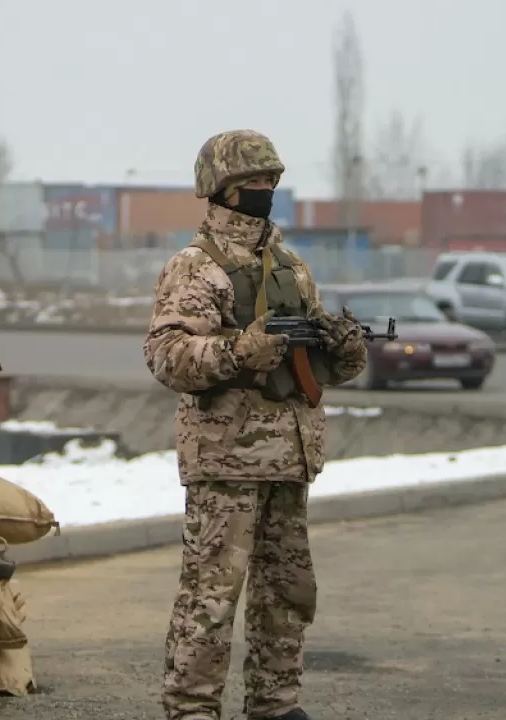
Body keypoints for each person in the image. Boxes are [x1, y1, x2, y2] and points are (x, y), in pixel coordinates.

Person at [143, 129, 369, 720]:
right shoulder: (196, 267)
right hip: (226, 461)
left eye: (270, 181)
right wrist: (239, 352)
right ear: (221, 188)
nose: (264, 191)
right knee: (211, 600)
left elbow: (314, 366)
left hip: (288, 459)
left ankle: (276, 704)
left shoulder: (291, 266)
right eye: (252, 184)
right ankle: (191, 708)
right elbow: (168, 355)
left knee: (288, 596)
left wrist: (343, 351)